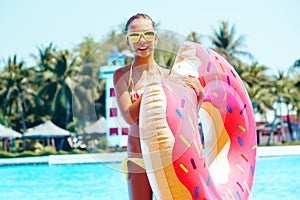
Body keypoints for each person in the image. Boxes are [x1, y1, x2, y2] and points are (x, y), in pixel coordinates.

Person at [113, 13, 204, 200]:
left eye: (147, 34)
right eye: (134, 36)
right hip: (138, 158)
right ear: (127, 41)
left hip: (169, 156)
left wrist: (199, 96)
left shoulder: (170, 76)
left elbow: (187, 121)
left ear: (155, 37)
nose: (141, 41)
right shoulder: (122, 76)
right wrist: (154, 87)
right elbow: (129, 117)